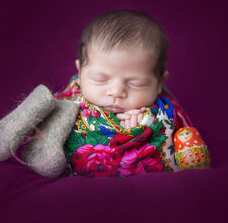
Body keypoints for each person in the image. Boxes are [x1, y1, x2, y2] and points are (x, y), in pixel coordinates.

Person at [55, 9, 211, 178]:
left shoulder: (166, 113)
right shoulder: (68, 102)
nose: (116, 92)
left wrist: (143, 126)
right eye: (100, 79)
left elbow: (175, 143)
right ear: (80, 72)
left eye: (136, 83)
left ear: (159, 83)